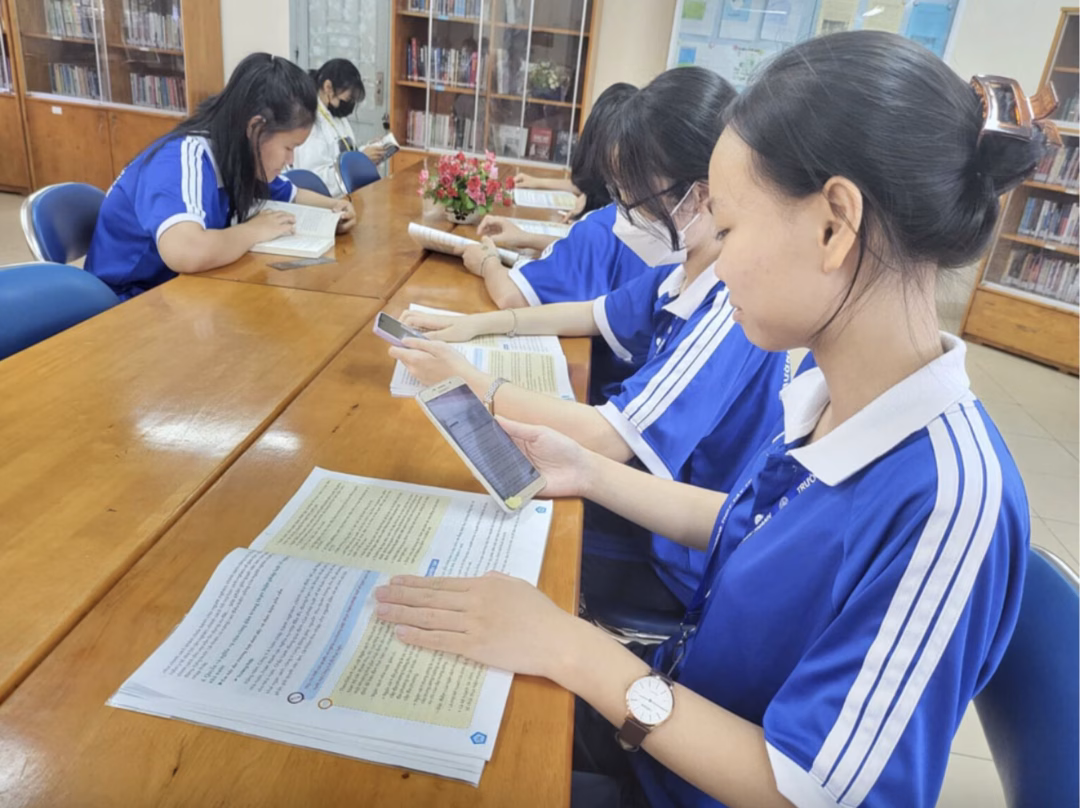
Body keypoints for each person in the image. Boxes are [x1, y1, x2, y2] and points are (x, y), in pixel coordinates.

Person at [375, 31, 1037, 808]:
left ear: (834, 226)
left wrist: (569, 646)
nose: (715, 264)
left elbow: (809, 791)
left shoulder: (951, 498)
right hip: (668, 729)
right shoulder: (833, 399)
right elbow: (753, 526)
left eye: (727, 228)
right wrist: (588, 471)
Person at [391, 67, 790, 612]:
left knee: (474, 528)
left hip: (679, 561)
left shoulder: (727, 305)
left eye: (635, 197)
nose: (623, 215)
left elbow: (607, 438)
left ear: (698, 198)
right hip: (653, 508)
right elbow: (591, 315)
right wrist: (478, 326)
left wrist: (469, 380)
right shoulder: (682, 273)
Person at [86, 53, 355, 300]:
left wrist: (334, 209)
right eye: (289, 147)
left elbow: (291, 194)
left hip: (185, 291)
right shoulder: (182, 158)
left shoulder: (241, 153)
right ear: (256, 128)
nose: (291, 160)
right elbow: (187, 251)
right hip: (127, 302)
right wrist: (253, 231)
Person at [456, 81, 640, 309]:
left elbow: (512, 297)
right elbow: (587, 254)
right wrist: (525, 237)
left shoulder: (603, 225)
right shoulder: (636, 218)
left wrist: (487, 263)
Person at [292, 58, 388, 197]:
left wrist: (368, 152)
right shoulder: (310, 121)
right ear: (328, 87)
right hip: (325, 202)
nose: (349, 105)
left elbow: (343, 154)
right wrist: (360, 160)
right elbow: (316, 181)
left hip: (347, 197)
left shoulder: (336, 114)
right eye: (347, 99)